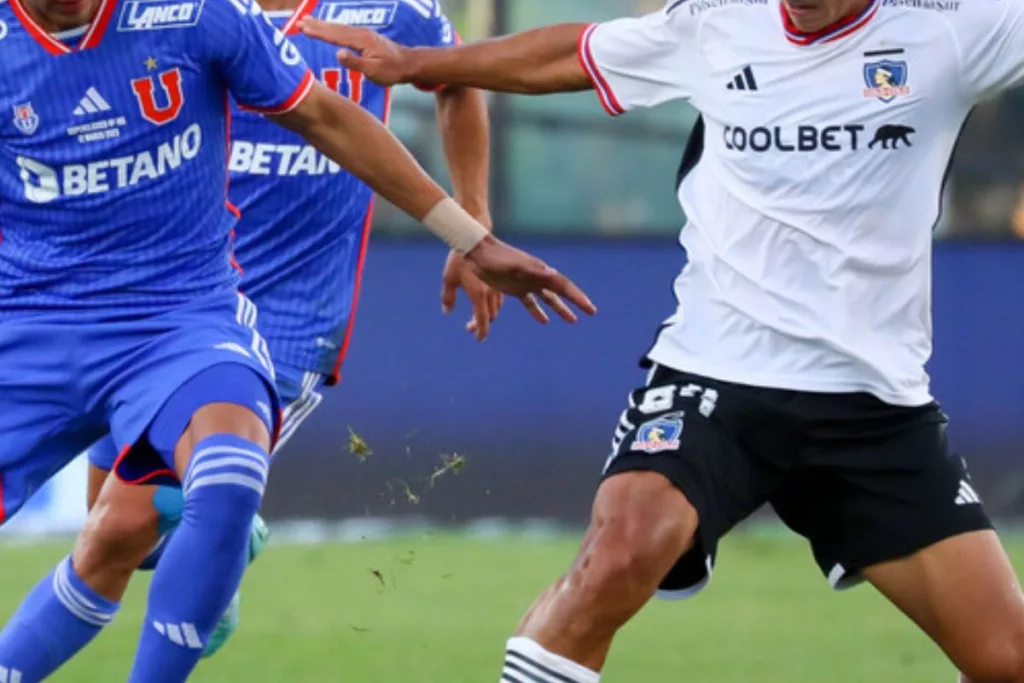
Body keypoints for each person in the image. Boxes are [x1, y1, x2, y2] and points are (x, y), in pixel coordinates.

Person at [302, 0, 1024, 681]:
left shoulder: (953, 29)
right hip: (715, 377)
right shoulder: (718, 23)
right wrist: (421, 63)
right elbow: (572, 56)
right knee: (617, 556)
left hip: (872, 402)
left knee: (1005, 658)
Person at [0, 0, 594, 678]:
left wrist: (472, 224)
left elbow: (438, 79)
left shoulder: (373, 11)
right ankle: (215, 553)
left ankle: (214, 528)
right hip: (76, 309)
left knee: (152, 507)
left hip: (252, 317)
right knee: (118, 540)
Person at [78, 0, 497, 660]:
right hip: (168, 303)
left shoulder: (390, 12)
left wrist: (473, 220)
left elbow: (458, 79)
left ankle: (214, 528)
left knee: (124, 518)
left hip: (288, 324)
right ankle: (223, 534)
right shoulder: (181, 13)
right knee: (110, 528)